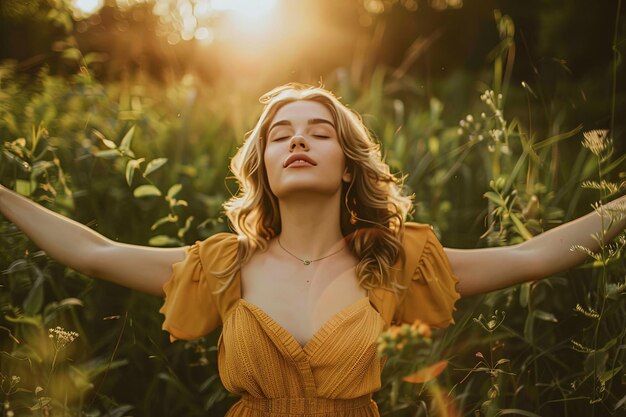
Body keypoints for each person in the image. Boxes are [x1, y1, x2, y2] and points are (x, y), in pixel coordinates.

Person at [0, 83, 624, 417]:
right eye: (281, 136)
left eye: (319, 132)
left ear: (348, 167)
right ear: (264, 167)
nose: (298, 141)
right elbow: (92, 251)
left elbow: (534, 257)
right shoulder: (225, 265)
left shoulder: (397, 261)